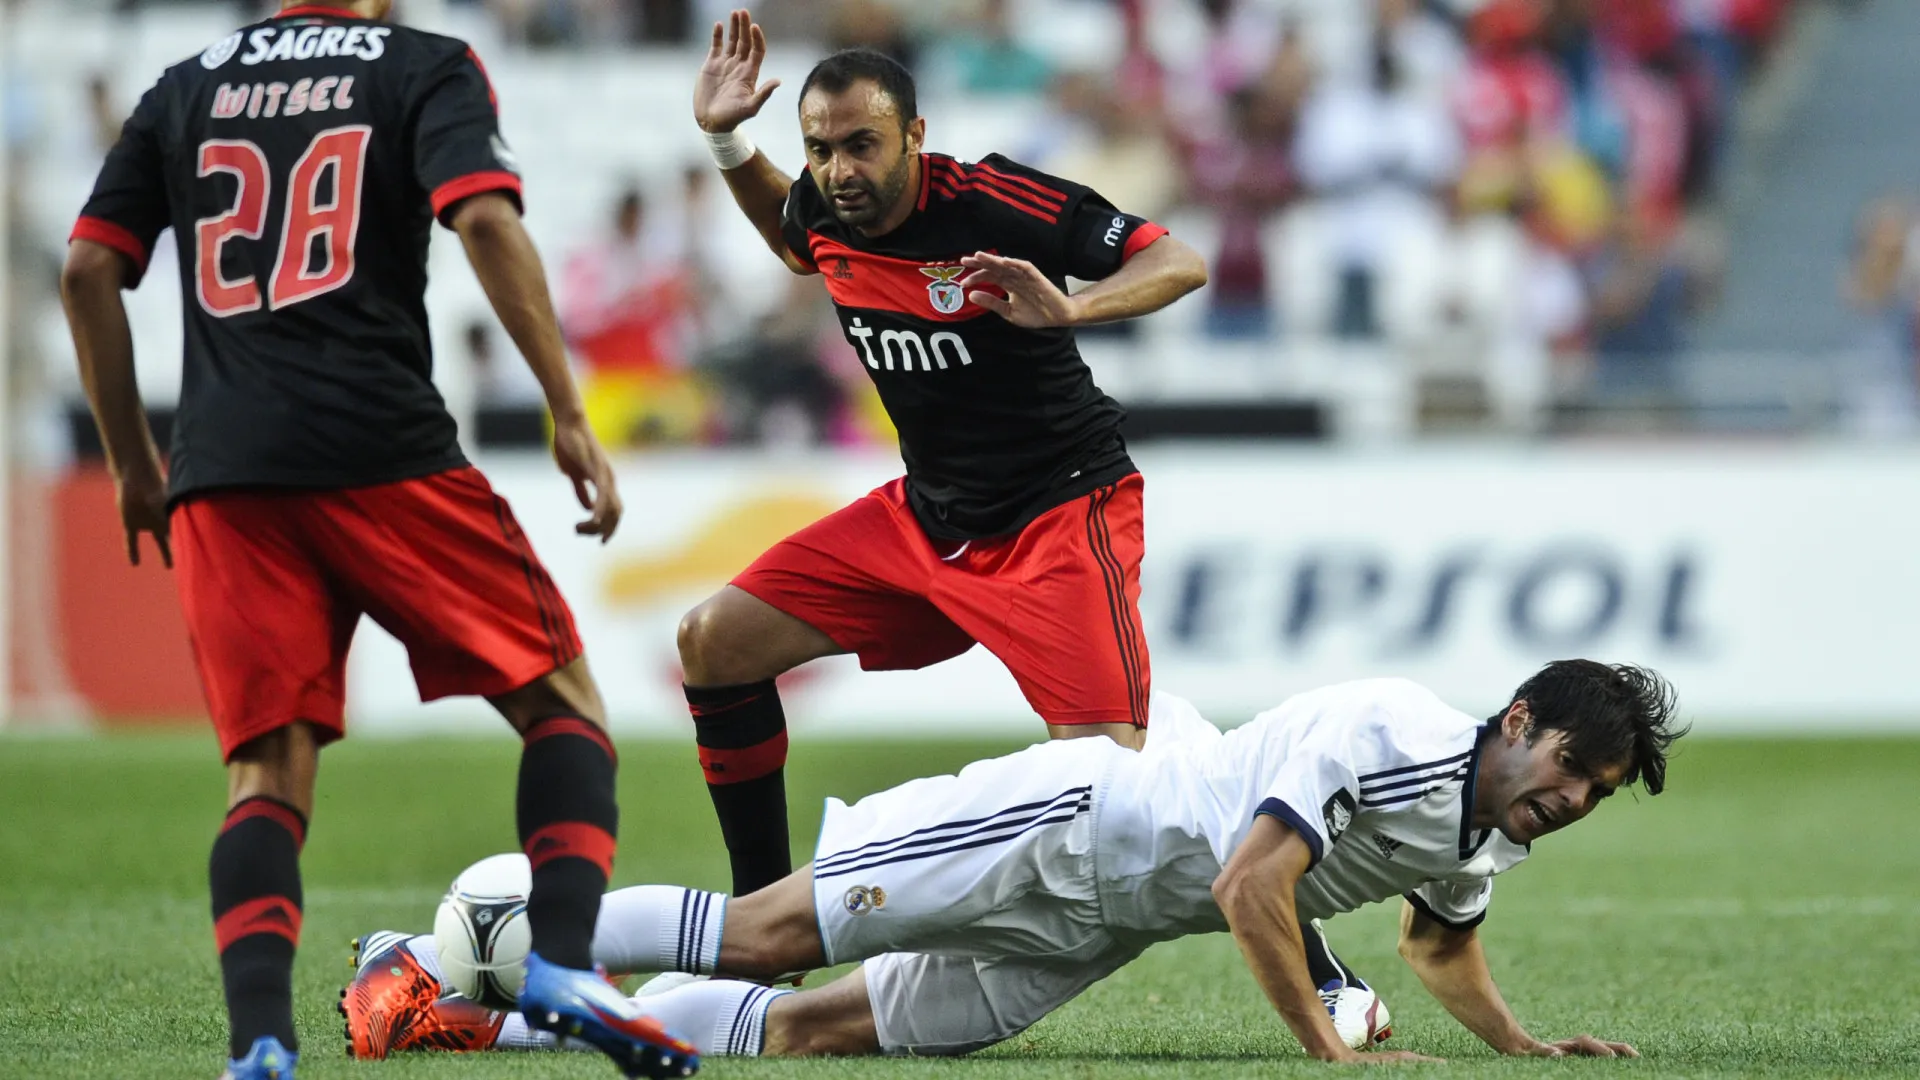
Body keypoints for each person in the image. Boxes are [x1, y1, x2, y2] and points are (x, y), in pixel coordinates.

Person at [59, 4, 691, 1078]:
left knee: (263, 776)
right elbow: (485, 221)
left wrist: (130, 461)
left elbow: (86, 269)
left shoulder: (184, 84)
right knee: (562, 703)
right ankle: (568, 967)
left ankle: (260, 1045)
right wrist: (567, 408)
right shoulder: (421, 63)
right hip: (381, 449)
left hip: (223, 471)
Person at [341, 660, 1682, 1063]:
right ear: (1519, 724)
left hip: (1096, 930)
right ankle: (455, 934)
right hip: (1061, 827)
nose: (1571, 802)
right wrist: (1326, 1051)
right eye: (1572, 771)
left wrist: (1521, 1047)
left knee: (811, 1033)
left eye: (1595, 797)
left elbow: (1438, 943)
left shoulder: (1483, 845)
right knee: (771, 936)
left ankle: (489, 1026)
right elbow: (1249, 888)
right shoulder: (1384, 729)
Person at [678, 9, 1209, 907]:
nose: (840, 169)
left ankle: (1309, 955)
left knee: (1113, 790)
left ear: (915, 135)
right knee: (712, 642)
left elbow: (1180, 260)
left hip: (1058, 514)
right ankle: (755, 928)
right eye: (820, 149)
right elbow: (793, 237)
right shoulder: (827, 202)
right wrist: (728, 141)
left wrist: (1074, 311)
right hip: (927, 518)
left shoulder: (993, 202)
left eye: (862, 145)